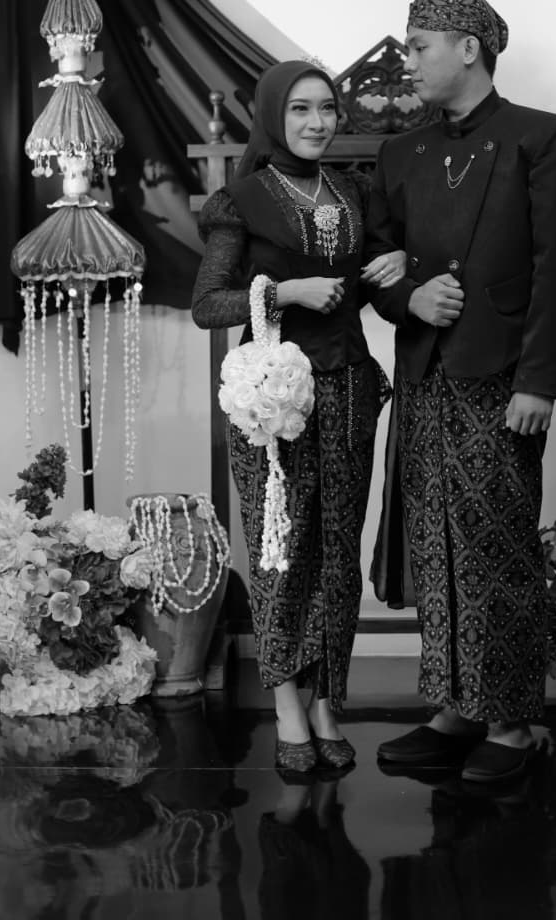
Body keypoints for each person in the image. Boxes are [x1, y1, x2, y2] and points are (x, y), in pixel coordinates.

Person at [367, 0, 556, 783]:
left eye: (418, 44)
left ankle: (512, 721)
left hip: (501, 379)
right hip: (424, 375)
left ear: (468, 48)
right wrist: (409, 298)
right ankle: (454, 708)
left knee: (496, 549)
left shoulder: (540, 137)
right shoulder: (401, 152)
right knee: (436, 548)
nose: (407, 60)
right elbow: (378, 265)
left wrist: (540, 382)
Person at [192, 60, 403, 775]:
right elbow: (208, 305)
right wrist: (283, 291)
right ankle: (286, 704)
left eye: (327, 108)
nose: (317, 122)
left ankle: (325, 704)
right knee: (281, 553)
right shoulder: (242, 200)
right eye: (301, 109)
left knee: (337, 555)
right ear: (273, 116)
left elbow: (370, 282)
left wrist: (395, 262)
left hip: (348, 392)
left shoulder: (353, 192)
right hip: (274, 406)